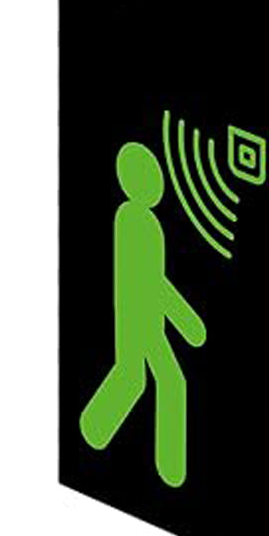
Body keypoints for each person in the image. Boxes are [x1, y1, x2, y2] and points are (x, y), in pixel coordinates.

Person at [79, 142, 206, 487]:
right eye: (149, 176)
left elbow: (154, 279)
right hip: (138, 318)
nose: (157, 183)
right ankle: (168, 467)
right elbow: (148, 280)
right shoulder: (134, 221)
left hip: (146, 318)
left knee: (135, 376)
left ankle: (95, 431)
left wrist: (181, 319)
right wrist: (186, 321)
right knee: (159, 379)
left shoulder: (143, 222)